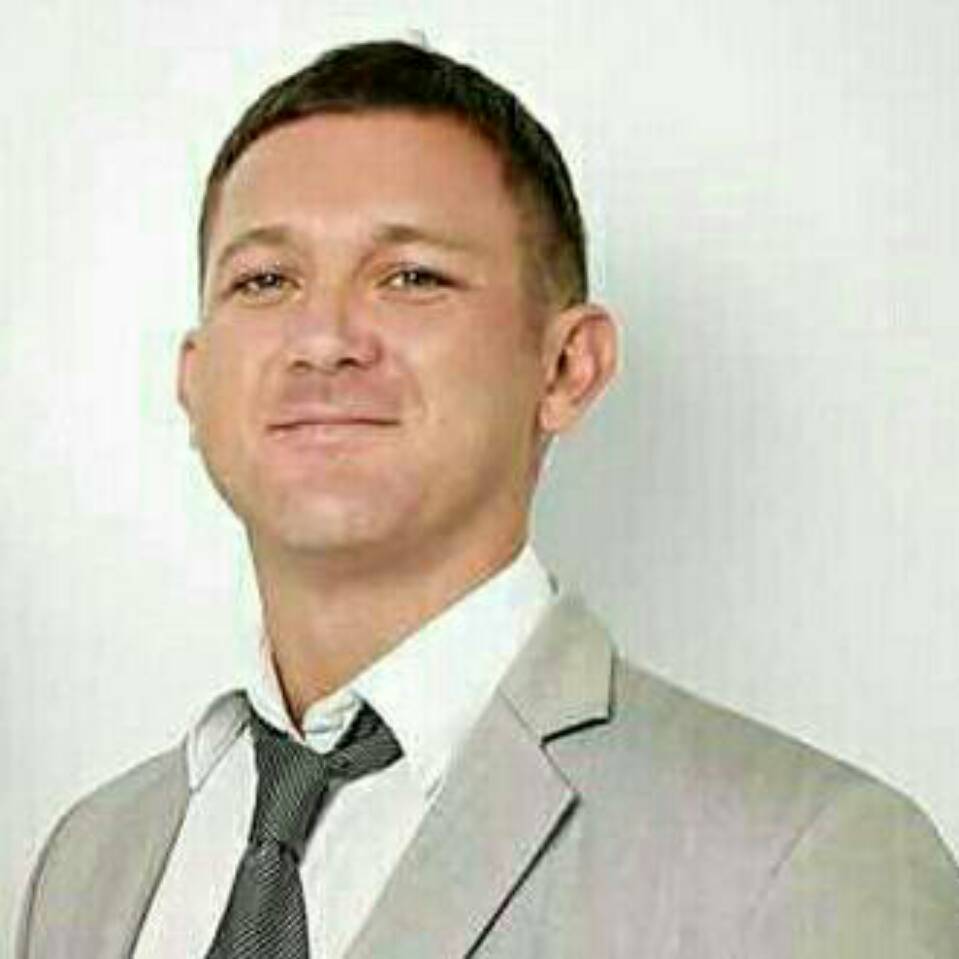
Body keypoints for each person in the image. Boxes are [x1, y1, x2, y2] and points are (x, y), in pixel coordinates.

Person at [16, 39, 959, 959]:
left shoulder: (806, 860)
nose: (323, 339)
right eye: (265, 280)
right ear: (194, 380)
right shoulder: (90, 860)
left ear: (566, 366)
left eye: (411, 277)